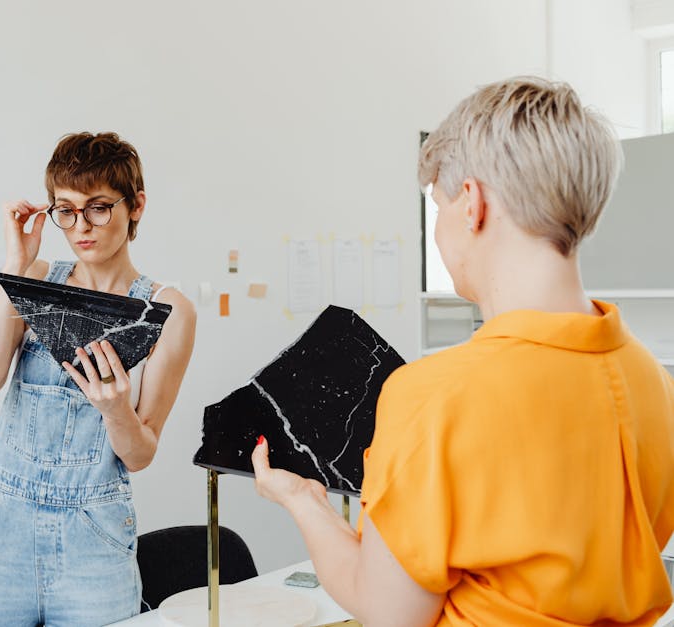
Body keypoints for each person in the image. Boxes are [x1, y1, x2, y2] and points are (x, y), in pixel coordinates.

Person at [252, 77, 674, 626]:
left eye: (438, 208)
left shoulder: (435, 396)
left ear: (471, 204)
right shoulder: (652, 381)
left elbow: (388, 612)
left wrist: (303, 502)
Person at [0, 132, 196, 626]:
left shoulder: (169, 311)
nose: (80, 226)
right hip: (0, 526)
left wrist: (116, 410)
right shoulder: (36, 278)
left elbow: (141, 453)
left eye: (98, 207)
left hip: (94, 537)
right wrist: (16, 265)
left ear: (136, 206)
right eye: (65, 209)